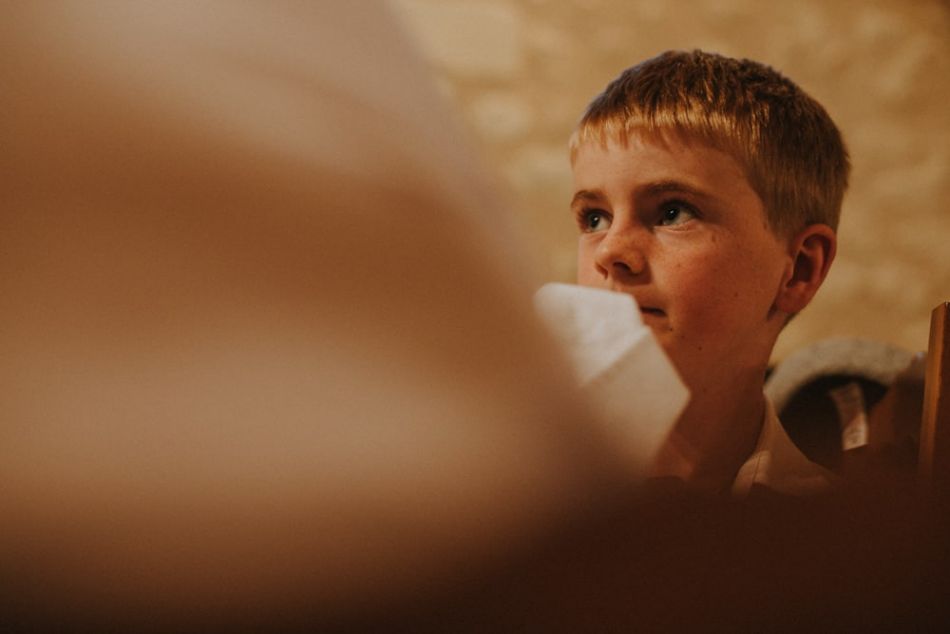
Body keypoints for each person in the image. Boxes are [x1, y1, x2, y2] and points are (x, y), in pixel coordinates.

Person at [569, 50, 850, 497]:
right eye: (594, 218)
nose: (611, 251)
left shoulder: (843, 542)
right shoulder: (492, 503)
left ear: (798, 269)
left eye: (673, 211)